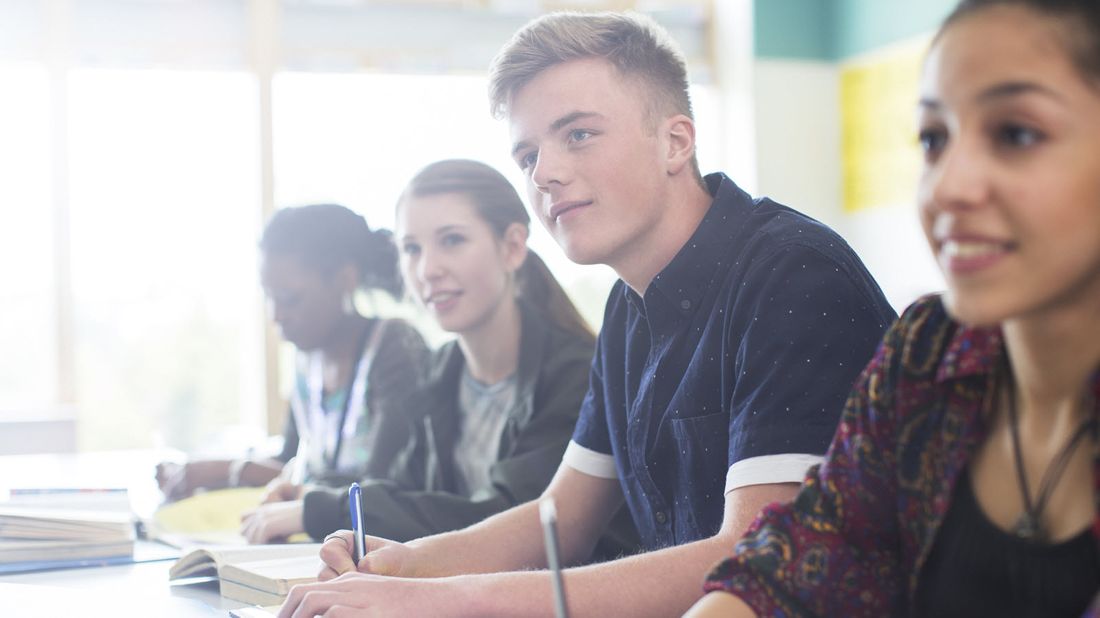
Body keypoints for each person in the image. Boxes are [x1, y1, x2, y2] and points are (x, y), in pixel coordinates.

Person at [278, 11, 895, 617]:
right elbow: (563, 518)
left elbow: (753, 557)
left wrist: (438, 599)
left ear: (676, 142)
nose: (544, 173)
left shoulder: (793, 275)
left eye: (578, 134)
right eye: (527, 155)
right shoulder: (629, 305)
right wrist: (408, 565)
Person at [688, 1, 1100, 616]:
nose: (948, 187)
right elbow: (823, 544)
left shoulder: (794, 270)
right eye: (934, 139)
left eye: (1016, 134)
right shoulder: (929, 352)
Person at [245, 160, 633, 551]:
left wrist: (320, 509)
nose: (428, 269)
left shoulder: (576, 374)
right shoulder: (439, 371)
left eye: (452, 241)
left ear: (512, 247)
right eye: (411, 249)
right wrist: (307, 494)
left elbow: (505, 519)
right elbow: (403, 490)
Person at [157, 204, 428, 537]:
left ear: (345, 279)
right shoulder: (306, 361)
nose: (277, 315)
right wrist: (208, 474)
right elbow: (291, 462)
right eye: (269, 298)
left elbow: (380, 484)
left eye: (289, 298)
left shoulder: (394, 347)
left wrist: (233, 470)